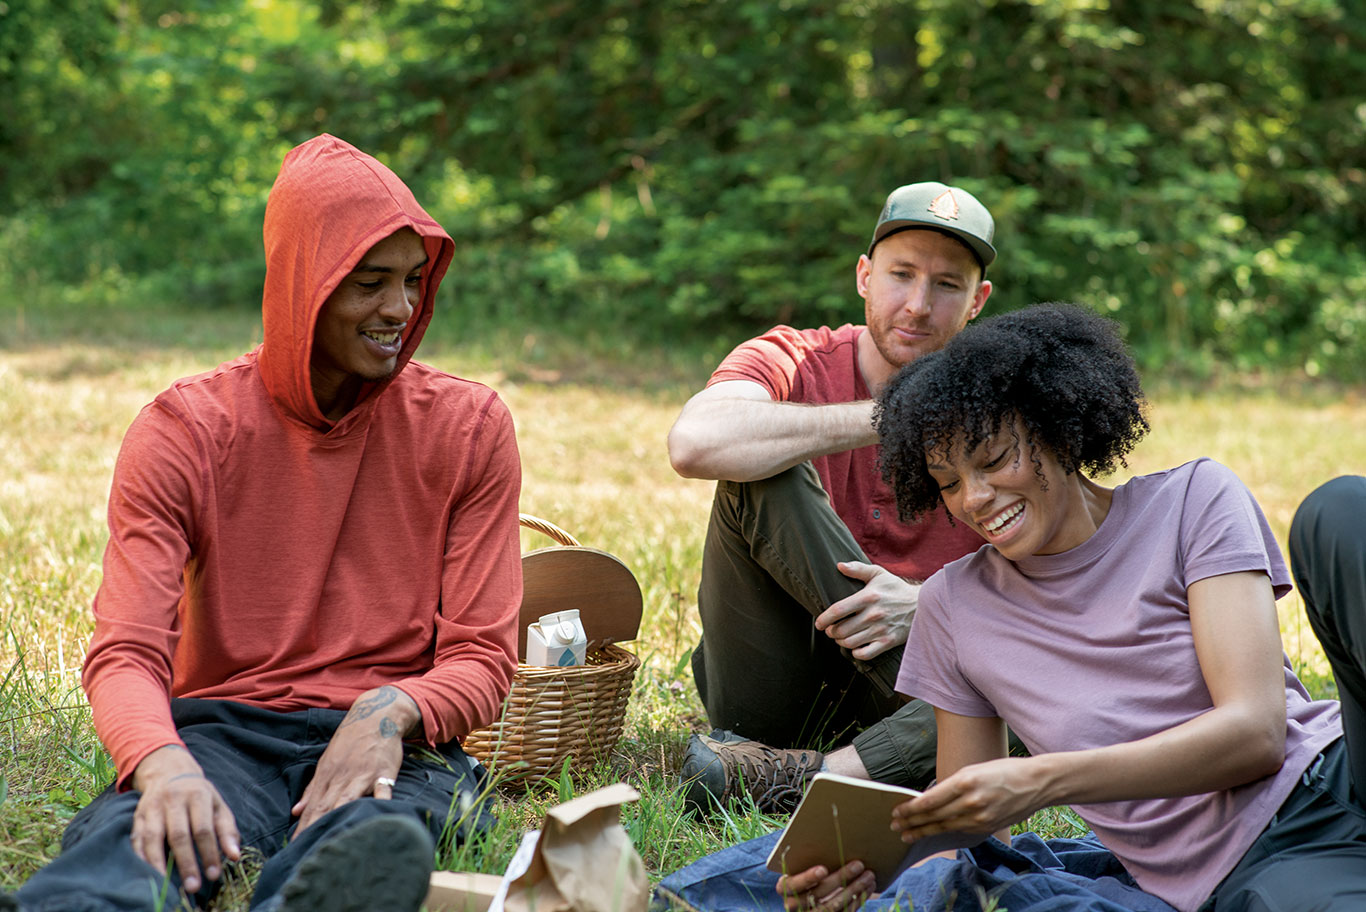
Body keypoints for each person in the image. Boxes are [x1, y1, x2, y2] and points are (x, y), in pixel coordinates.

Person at [4, 135, 523, 912]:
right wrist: (163, 764)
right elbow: (126, 653)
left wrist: (389, 714)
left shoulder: (470, 426)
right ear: (302, 287)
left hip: (403, 741)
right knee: (140, 836)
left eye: (414, 280)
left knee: (384, 845)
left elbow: (483, 657)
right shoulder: (185, 430)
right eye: (370, 283)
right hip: (225, 731)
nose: (401, 309)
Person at [779, 303, 1363, 912]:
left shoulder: (1193, 501)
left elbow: (1257, 735)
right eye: (948, 482)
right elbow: (971, 843)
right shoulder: (954, 607)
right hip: (1257, 871)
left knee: (1340, 509)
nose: (974, 499)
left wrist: (1042, 779)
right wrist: (872, 883)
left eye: (996, 458)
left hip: (1338, 767)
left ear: (1057, 429)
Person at [668, 182, 1000, 813]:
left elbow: (1061, 583)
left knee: (1028, 682)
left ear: (978, 301)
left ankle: (810, 776)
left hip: (910, 694)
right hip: (772, 684)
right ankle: (867, 765)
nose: (919, 305)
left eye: (947, 285)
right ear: (864, 276)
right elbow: (693, 443)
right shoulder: (794, 357)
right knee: (761, 461)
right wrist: (897, 416)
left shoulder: (1004, 407)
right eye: (900, 275)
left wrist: (928, 604)